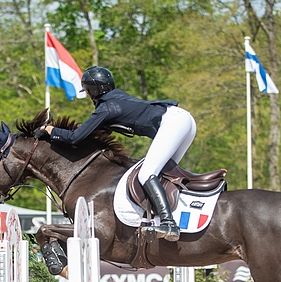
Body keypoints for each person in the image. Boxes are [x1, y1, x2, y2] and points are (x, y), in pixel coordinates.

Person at [36, 66, 195, 242]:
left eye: (88, 92)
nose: (88, 96)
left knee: (146, 174)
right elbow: (87, 134)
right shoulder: (116, 99)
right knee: (166, 174)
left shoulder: (106, 108)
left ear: (93, 91)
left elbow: (75, 138)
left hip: (173, 123)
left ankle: (169, 223)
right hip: (183, 120)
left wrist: (49, 129)